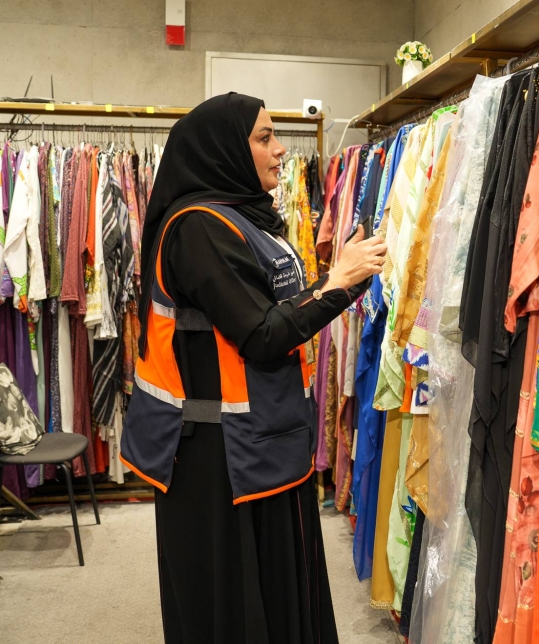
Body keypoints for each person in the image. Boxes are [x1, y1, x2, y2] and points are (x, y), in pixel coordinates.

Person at [120, 92, 386, 643]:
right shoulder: (198, 229)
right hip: (217, 461)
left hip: (262, 440)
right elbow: (262, 334)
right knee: (238, 604)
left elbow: (276, 310)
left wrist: (342, 281)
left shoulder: (243, 219)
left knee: (277, 590)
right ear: (225, 150)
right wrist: (336, 284)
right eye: (264, 138)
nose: (281, 149)